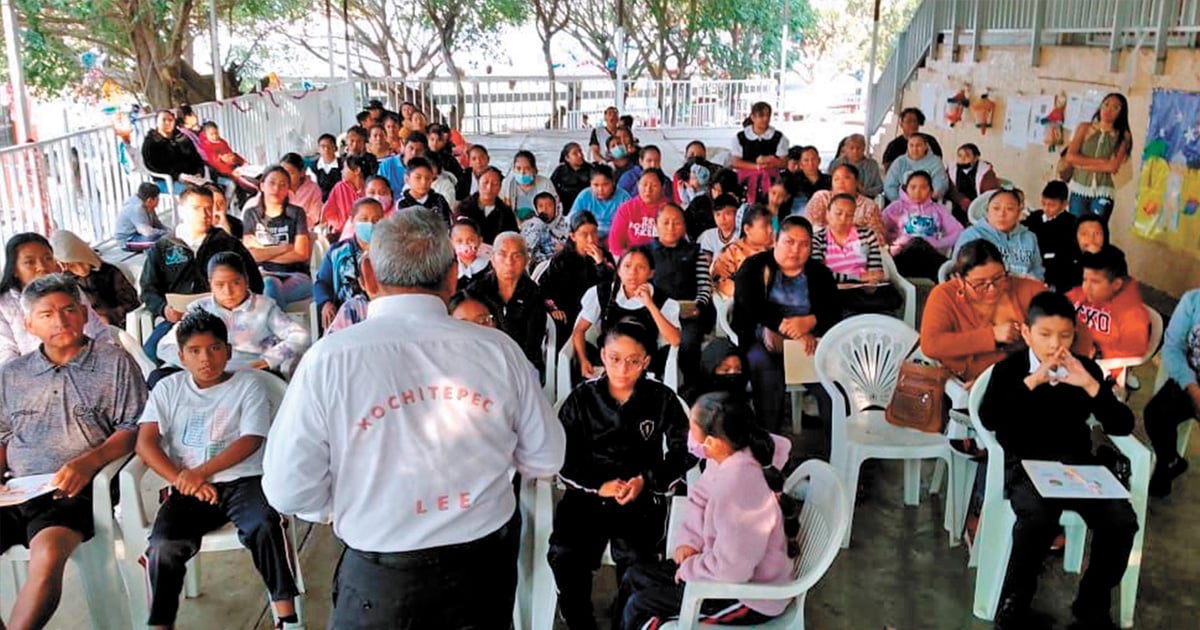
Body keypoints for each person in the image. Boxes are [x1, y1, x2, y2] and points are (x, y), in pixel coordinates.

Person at [261, 209, 565, 628]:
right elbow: (547, 456)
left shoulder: (329, 360)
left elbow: (288, 490)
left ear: (368, 274)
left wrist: (348, 503)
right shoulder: (498, 350)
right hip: (482, 575)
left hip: (380, 581)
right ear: (453, 276)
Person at [979, 290, 1137, 630]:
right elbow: (990, 418)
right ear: (1026, 333)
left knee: (1121, 521)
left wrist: (1091, 386)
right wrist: (1033, 381)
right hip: (1024, 463)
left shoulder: (1085, 369)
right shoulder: (1009, 370)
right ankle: (1015, 600)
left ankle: (1092, 603)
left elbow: (1122, 424)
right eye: (1045, 335)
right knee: (1037, 519)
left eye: (1065, 336)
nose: (1055, 344)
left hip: (1077, 465)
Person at [0, 273, 146, 630]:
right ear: (29, 324)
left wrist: (88, 463)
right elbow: (2, 435)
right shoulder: (13, 374)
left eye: (68, 310)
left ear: (83, 314)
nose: (60, 321)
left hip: (77, 489)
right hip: (17, 489)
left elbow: (133, 428)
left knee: (48, 553)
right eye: (47, 314)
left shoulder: (114, 363)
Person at [136, 311, 300, 629]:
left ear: (228, 350)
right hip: (188, 488)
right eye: (195, 351)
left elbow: (251, 439)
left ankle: (287, 617)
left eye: (214, 348)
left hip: (244, 479)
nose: (206, 359)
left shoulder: (248, 384)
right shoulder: (168, 388)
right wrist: (182, 479)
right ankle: (160, 623)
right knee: (163, 545)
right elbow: (146, 443)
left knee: (266, 524)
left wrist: (198, 473)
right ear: (181, 356)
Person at [550, 318, 696, 630]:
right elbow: (561, 454)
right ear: (603, 356)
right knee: (565, 553)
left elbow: (687, 449)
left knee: (637, 559)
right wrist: (597, 485)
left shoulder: (661, 398)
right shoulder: (582, 399)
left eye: (633, 361)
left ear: (646, 361)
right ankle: (580, 620)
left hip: (639, 494)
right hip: (589, 494)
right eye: (615, 358)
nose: (623, 368)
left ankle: (626, 622)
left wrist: (647, 479)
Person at [618, 392, 795, 629]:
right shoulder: (727, 455)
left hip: (749, 596)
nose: (689, 438)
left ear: (712, 442)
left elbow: (733, 570)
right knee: (634, 576)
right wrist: (689, 542)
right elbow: (700, 497)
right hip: (719, 568)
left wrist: (690, 570)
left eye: (692, 431)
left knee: (641, 607)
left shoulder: (741, 490)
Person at [920, 239, 1090, 386]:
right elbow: (931, 344)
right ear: (959, 280)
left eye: (998, 278)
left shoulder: (1028, 290)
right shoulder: (944, 295)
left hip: (1026, 377)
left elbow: (1077, 329)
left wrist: (1064, 369)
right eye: (980, 284)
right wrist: (991, 336)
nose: (992, 289)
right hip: (963, 380)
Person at [733, 216, 840, 432]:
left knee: (832, 387)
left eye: (804, 244)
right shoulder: (754, 267)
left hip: (808, 345)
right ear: (775, 240)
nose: (795, 250)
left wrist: (810, 321)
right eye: (789, 242)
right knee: (767, 374)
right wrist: (791, 330)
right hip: (762, 342)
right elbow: (750, 305)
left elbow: (833, 309)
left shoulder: (819, 273)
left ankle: (839, 446)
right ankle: (770, 443)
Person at [140, 186, 264, 362]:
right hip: (180, 319)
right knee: (152, 352)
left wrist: (232, 303)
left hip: (224, 317)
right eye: (197, 208)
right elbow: (148, 289)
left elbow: (255, 282)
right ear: (182, 210)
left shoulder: (227, 244)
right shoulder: (164, 246)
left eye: (208, 208)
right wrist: (163, 309)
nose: (205, 214)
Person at [156, 252, 310, 381]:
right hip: (206, 372)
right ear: (210, 284)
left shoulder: (264, 307)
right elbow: (164, 346)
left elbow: (300, 336)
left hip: (250, 371)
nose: (228, 291)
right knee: (159, 377)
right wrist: (194, 364)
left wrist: (267, 360)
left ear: (246, 280)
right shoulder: (199, 309)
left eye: (235, 283)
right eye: (220, 285)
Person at [0, 233, 114, 365]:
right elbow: (6, 355)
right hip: (34, 373)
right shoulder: (4, 305)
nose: (42, 267)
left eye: (48, 258)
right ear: (14, 270)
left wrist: (102, 361)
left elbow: (98, 331)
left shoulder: (70, 289)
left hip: (87, 364)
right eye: (30, 262)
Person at [572, 246, 682, 381]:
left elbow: (675, 340)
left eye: (640, 267)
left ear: (651, 273)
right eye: (627, 266)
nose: (632, 273)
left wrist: (650, 305)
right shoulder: (602, 293)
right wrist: (583, 360)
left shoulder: (662, 300)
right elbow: (579, 331)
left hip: (642, 366)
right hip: (608, 362)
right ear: (618, 270)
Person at [465, 232, 548, 376]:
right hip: (482, 364)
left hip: (522, 365)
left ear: (526, 260)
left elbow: (532, 345)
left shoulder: (534, 293)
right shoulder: (476, 291)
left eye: (516, 256)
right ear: (492, 258)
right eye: (502, 254)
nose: (509, 262)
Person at [1144, 284, 1200, 497]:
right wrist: (1193, 388)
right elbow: (1173, 347)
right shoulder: (1192, 301)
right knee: (1155, 414)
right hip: (1190, 379)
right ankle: (1170, 460)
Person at [650, 203, 714, 386]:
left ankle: (691, 388)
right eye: (666, 222)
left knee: (689, 343)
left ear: (684, 226)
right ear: (656, 225)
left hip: (687, 314)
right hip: (654, 312)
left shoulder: (695, 252)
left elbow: (705, 286)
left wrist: (698, 305)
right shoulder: (645, 253)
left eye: (677, 223)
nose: (671, 227)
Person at [814, 194, 903, 316]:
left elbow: (875, 271)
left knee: (890, 298)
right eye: (838, 213)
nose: (843, 219)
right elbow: (820, 275)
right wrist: (858, 277)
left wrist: (872, 282)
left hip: (863, 291)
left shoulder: (867, 235)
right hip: (834, 291)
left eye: (849, 215)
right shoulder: (817, 239)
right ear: (828, 214)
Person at [1066, 247, 1149, 374]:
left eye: (1095, 282)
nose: (1086, 287)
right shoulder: (1078, 295)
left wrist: (1096, 351)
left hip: (1100, 371)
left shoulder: (1132, 314)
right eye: (1084, 279)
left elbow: (1134, 351)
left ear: (1116, 285)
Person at [538, 211, 614, 347]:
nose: (591, 239)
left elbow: (610, 290)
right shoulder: (561, 260)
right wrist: (553, 309)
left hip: (595, 317)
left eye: (594, 233)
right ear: (573, 236)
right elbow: (543, 288)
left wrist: (600, 265)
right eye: (584, 234)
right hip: (567, 317)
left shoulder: (605, 257)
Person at [242, 166, 313, 308]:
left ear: (288, 189)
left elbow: (301, 254)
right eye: (272, 183)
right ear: (262, 186)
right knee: (270, 284)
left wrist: (263, 253)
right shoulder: (251, 214)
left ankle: (271, 320)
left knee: (268, 291)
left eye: (282, 185)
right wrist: (285, 248)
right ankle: (280, 321)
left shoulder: (297, 213)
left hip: (296, 276)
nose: (276, 189)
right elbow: (250, 256)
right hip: (262, 275)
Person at [314, 198, 384, 331]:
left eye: (376, 220)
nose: (370, 224)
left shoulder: (391, 251)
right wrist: (325, 303)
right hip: (344, 316)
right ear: (352, 220)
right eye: (364, 219)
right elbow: (322, 282)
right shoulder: (337, 252)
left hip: (382, 313)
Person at [883, 170, 964, 281]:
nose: (917, 191)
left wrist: (937, 243)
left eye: (923, 187)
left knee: (923, 246)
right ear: (906, 189)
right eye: (913, 187)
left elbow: (958, 231)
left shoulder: (939, 210)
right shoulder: (896, 207)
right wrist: (893, 242)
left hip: (929, 256)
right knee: (916, 243)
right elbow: (879, 227)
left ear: (931, 191)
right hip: (902, 256)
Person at [1064, 92, 1133, 221]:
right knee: (1077, 226)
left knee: (1097, 227)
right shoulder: (1084, 127)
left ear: (1121, 113)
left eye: (1115, 108)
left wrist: (1081, 165)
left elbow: (1112, 167)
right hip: (1079, 188)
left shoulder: (1123, 135)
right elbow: (1070, 156)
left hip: (1104, 190)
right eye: (1106, 105)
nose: (1108, 110)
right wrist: (1101, 161)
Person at [50, 229, 140, 326]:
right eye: (72, 266)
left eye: (81, 262)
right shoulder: (68, 282)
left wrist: (109, 316)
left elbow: (131, 303)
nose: (81, 269)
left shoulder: (110, 272)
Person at [954, 189, 1044, 280]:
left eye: (1009, 209)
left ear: (1018, 213)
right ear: (987, 211)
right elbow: (962, 274)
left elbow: (1038, 270)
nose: (1001, 214)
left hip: (1024, 286)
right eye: (996, 208)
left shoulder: (1029, 237)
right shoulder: (972, 236)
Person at [803, 163, 886, 244]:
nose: (841, 182)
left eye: (846, 178)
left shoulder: (868, 206)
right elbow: (810, 227)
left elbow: (878, 235)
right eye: (836, 179)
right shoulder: (822, 198)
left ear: (857, 182)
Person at [729, 101, 789, 204]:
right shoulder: (740, 137)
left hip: (771, 181)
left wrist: (770, 161)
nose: (765, 119)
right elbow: (735, 162)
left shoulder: (779, 137)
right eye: (761, 116)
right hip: (746, 181)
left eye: (768, 115)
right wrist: (757, 167)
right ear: (753, 117)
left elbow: (784, 162)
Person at [1023, 181, 1077, 292]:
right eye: (1043, 203)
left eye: (1052, 205)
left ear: (1064, 204)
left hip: (1057, 272)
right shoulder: (1035, 217)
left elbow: (1068, 253)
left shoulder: (1072, 224)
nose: (1046, 208)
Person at [711, 204, 774, 300]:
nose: (770, 230)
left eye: (771, 224)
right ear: (747, 229)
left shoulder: (778, 248)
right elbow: (723, 286)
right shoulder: (732, 252)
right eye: (764, 226)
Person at [609, 168, 670, 256]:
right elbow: (615, 244)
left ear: (662, 187)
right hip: (631, 258)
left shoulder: (669, 209)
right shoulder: (626, 208)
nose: (648, 189)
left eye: (654, 185)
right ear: (638, 185)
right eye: (644, 185)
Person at [141, 109, 206, 192]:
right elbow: (152, 166)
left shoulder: (182, 138)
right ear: (157, 122)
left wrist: (199, 172)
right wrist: (177, 176)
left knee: (213, 190)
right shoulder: (151, 142)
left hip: (191, 178)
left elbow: (196, 158)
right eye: (164, 120)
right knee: (194, 193)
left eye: (170, 120)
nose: (167, 123)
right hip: (167, 181)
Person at [455, 166, 518, 243]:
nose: (489, 188)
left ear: (500, 187)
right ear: (478, 183)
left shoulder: (506, 212)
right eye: (485, 183)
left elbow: (513, 237)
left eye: (495, 184)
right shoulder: (464, 208)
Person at [569, 164, 631, 241]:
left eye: (605, 185)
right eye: (596, 185)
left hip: (616, 237)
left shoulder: (623, 197)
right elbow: (573, 219)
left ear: (613, 183)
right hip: (589, 237)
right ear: (590, 184)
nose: (600, 189)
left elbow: (630, 223)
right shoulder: (584, 195)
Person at [883, 133, 949, 204]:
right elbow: (889, 186)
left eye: (918, 145)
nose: (914, 149)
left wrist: (926, 201)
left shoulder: (935, 162)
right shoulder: (899, 162)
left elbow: (940, 185)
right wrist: (900, 202)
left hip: (928, 204)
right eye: (911, 145)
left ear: (926, 146)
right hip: (901, 204)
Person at [945, 143, 1001, 224]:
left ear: (976, 158)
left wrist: (974, 205)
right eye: (960, 156)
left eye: (967, 156)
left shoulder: (985, 172)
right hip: (958, 203)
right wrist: (962, 200)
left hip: (979, 205)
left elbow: (989, 194)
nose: (962, 159)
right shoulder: (951, 169)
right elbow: (950, 189)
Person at [501, 150, 558, 221]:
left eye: (527, 169)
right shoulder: (507, 184)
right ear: (513, 169)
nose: (522, 172)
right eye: (518, 168)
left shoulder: (545, 184)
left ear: (534, 169)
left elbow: (556, 209)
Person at [396, 157, 453, 225]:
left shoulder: (439, 199)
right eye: (418, 177)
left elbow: (446, 223)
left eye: (428, 178)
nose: (423, 182)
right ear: (407, 179)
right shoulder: (402, 204)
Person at [321, 154, 368, 236]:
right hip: (340, 233)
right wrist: (342, 227)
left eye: (344, 168)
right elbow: (329, 213)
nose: (341, 171)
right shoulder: (340, 187)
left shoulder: (370, 188)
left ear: (357, 170)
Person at [115, 182, 169, 251]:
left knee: (164, 238)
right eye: (157, 198)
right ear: (150, 200)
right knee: (158, 240)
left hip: (140, 235)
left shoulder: (147, 204)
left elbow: (157, 224)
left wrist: (169, 232)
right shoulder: (136, 208)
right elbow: (147, 231)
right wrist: (165, 234)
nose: (158, 200)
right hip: (128, 240)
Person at [829, 133, 884, 198]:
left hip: (866, 198)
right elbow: (829, 184)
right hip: (841, 198)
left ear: (864, 148)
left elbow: (879, 187)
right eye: (852, 148)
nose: (855, 151)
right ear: (846, 149)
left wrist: (865, 192)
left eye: (858, 148)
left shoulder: (872, 165)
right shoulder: (837, 163)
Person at [780, 145, 830, 213]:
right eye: (806, 160)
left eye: (813, 159)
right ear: (800, 164)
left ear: (819, 160)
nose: (810, 163)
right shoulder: (791, 181)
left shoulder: (829, 180)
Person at [551, 141, 592, 210]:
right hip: (566, 206)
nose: (580, 155)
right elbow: (551, 186)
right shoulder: (560, 170)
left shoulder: (591, 169)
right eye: (575, 153)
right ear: (567, 158)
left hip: (586, 205)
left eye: (580, 151)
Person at [452, 217, 492, 281]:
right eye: (459, 241)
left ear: (479, 241)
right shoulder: (448, 269)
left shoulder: (490, 267)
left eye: (471, 240)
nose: (465, 244)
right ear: (451, 243)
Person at [311, 133, 342, 202]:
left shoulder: (343, 165)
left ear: (336, 148)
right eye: (323, 146)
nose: (326, 149)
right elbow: (312, 190)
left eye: (330, 146)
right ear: (318, 149)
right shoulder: (313, 167)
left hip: (340, 201)